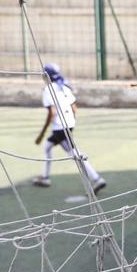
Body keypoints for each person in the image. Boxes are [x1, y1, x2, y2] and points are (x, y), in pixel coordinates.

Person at [33, 63, 106, 194]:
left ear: (46, 76)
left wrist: (41, 134)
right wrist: (69, 123)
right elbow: (74, 108)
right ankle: (45, 178)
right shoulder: (65, 87)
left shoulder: (48, 90)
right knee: (48, 147)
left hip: (60, 128)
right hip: (69, 125)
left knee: (74, 154)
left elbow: (52, 113)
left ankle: (97, 179)